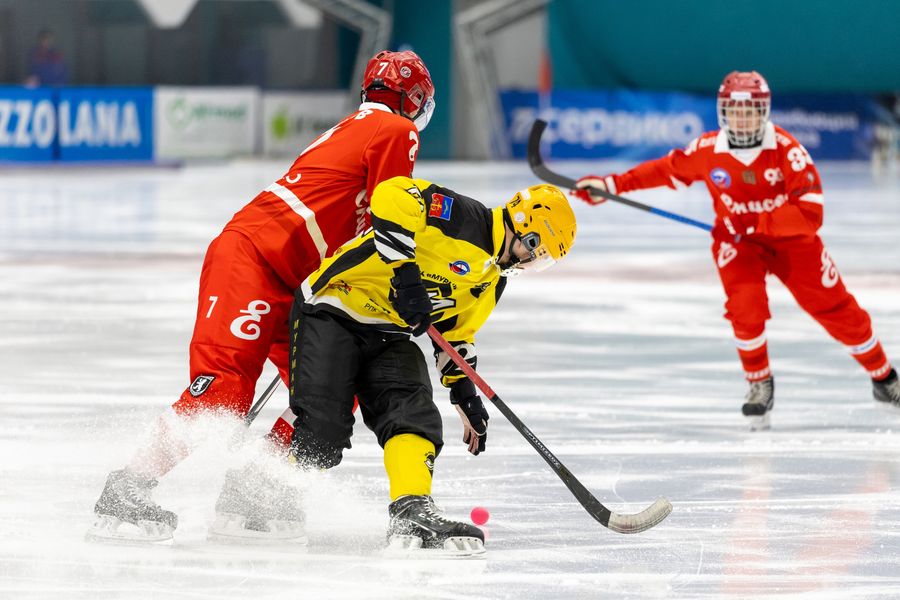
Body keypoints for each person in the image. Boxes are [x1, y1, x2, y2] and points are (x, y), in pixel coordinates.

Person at [88, 50, 436, 543]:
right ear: (414, 99)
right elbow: (390, 214)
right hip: (253, 260)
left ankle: (254, 492)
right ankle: (127, 488)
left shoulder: (358, 127)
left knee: (331, 395)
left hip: (293, 281)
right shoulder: (397, 132)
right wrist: (408, 281)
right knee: (226, 388)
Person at [572, 70, 900, 429]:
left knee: (837, 309)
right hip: (736, 244)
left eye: (751, 111)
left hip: (790, 242)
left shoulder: (788, 152)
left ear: (764, 112)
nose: (743, 119)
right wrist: (610, 184)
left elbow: (811, 212)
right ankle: (759, 383)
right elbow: (665, 171)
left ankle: (883, 378)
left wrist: (756, 224)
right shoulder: (709, 150)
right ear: (723, 112)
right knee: (746, 307)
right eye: (735, 111)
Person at [287, 176, 577, 555]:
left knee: (414, 415)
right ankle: (261, 493)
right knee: (323, 436)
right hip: (334, 306)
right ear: (525, 227)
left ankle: (411, 508)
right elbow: (391, 195)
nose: (531, 262)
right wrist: (407, 278)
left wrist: (463, 392)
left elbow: (457, 332)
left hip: (390, 333)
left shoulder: (493, 278)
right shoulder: (461, 216)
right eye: (537, 252)